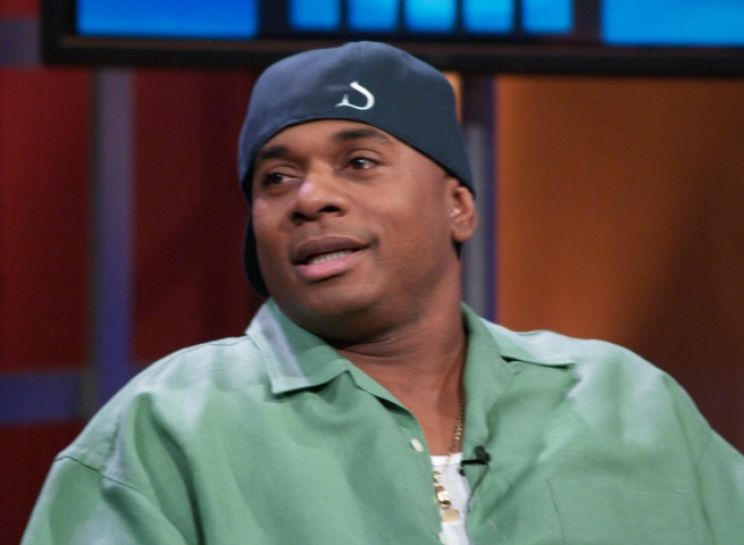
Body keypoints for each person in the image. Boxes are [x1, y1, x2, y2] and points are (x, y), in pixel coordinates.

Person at [22, 41, 744, 545]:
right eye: (276, 178)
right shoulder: (169, 426)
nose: (310, 198)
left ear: (458, 205)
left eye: (360, 161)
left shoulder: (629, 403)